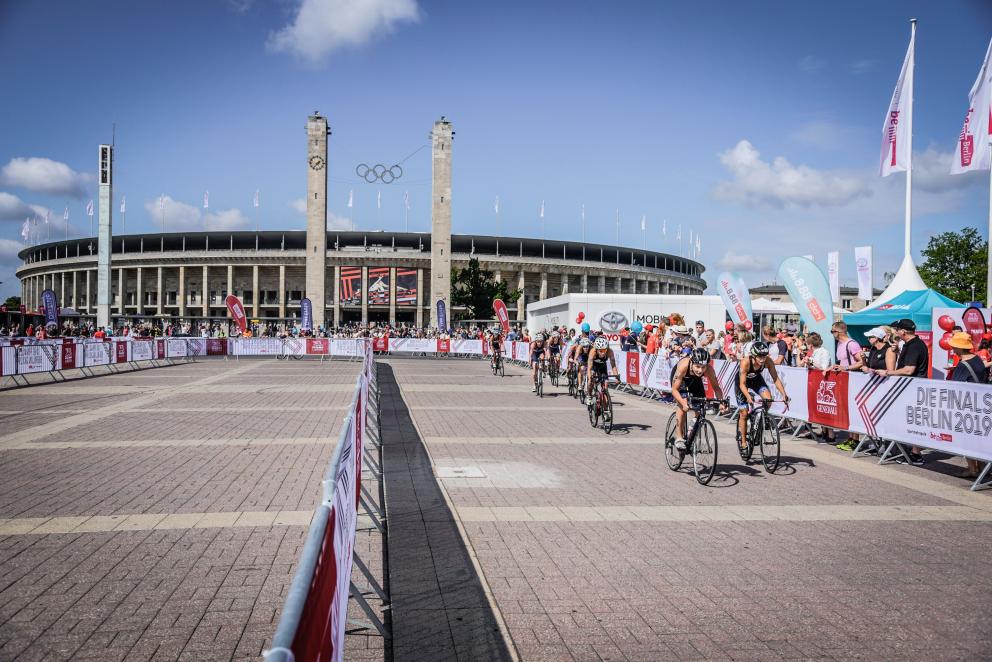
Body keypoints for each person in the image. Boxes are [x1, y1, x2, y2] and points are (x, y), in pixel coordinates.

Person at [877, 318, 929, 465]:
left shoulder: (914, 345)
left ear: (903, 331)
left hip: (913, 388)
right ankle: (911, 451)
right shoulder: (909, 344)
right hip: (909, 388)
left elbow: (909, 369)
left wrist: (888, 372)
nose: (896, 331)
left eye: (898, 329)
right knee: (909, 420)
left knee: (914, 422)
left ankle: (916, 454)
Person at [947, 332, 989, 479]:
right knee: (980, 437)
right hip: (981, 403)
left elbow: (955, 386)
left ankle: (973, 469)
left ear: (958, 347)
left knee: (966, 438)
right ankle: (983, 467)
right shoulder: (976, 358)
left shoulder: (962, 364)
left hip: (967, 405)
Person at [735, 341, 790, 451]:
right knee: (744, 412)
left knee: (768, 400)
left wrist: (784, 394)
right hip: (742, 383)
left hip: (756, 380)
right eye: (759, 357)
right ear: (754, 355)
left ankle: (758, 420)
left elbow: (775, 378)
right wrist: (748, 397)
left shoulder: (768, 361)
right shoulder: (745, 362)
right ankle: (744, 442)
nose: (762, 359)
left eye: (764, 356)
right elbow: (742, 384)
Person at [670, 348, 728, 450]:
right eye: (697, 366)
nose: (700, 370)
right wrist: (683, 402)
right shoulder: (684, 366)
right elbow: (674, 390)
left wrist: (721, 402)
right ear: (692, 362)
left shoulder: (709, 369)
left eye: (703, 367)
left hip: (695, 380)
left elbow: (716, 387)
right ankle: (679, 437)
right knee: (683, 403)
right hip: (682, 379)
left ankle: (692, 429)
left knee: (700, 406)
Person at [586, 336, 620, 405]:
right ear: (597, 349)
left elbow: (613, 365)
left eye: (604, 350)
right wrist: (589, 378)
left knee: (605, 385)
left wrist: (616, 377)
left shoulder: (610, 351)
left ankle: (605, 407)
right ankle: (589, 396)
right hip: (594, 366)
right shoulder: (593, 352)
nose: (603, 353)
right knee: (590, 382)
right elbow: (589, 368)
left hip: (602, 366)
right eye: (600, 351)